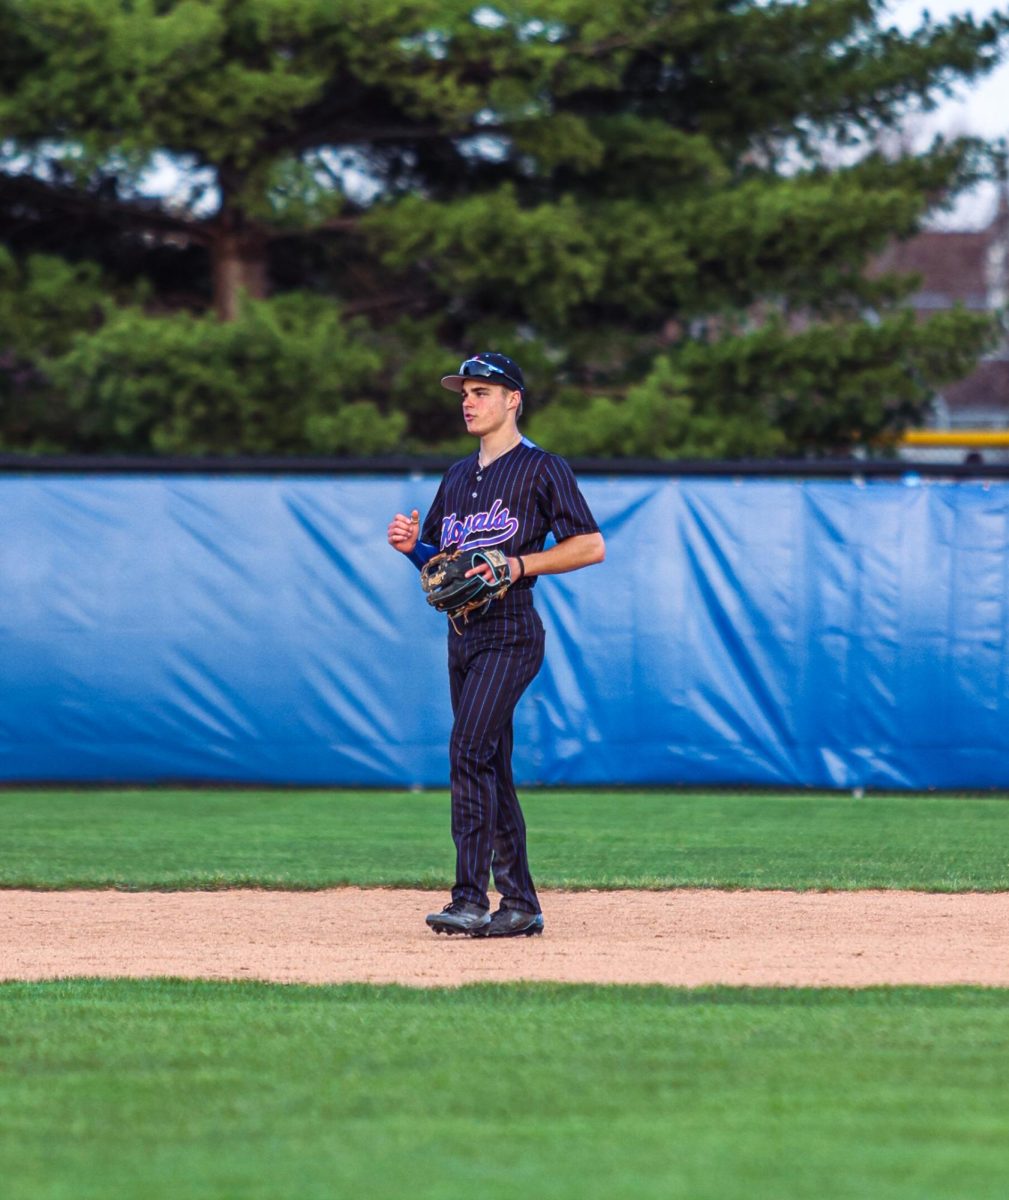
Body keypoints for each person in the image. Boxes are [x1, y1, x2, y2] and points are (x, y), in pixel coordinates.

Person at [387, 352, 605, 938]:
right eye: (464, 392)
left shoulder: (542, 468)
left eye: (482, 391)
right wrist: (413, 548)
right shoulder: (458, 476)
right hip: (462, 637)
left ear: (513, 400)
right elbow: (446, 569)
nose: (468, 401)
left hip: (511, 633)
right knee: (488, 762)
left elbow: (589, 546)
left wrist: (518, 564)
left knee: (467, 749)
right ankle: (521, 903)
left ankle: (468, 898)